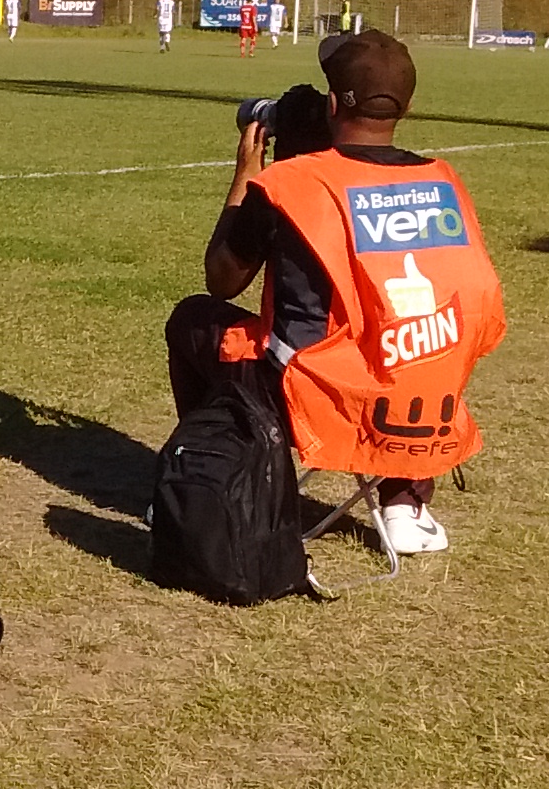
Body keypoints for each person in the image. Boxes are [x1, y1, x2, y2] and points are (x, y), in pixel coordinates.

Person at [173, 30, 506, 555]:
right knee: (402, 343)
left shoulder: (293, 184)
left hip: (318, 400)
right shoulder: (444, 182)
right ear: (408, 106)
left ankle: (216, 477)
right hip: (420, 404)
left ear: (330, 104)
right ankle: (404, 503)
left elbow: (222, 280)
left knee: (193, 319)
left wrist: (247, 174)